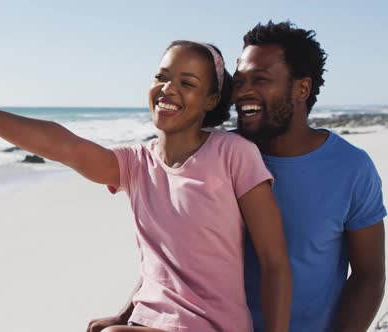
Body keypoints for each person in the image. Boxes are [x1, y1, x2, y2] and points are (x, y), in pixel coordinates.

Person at [0, 41, 292, 331]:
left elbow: (274, 261)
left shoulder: (233, 154)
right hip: (144, 323)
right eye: (162, 77)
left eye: (187, 83)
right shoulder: (135, 164)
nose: (169, 89)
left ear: (210, 100)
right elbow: (63, 145)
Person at [90, 21, 386, 332]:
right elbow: (172, 257)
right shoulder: (216, 155)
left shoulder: (351, 167)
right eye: (240, 81)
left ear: (301, 89)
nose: (244, 93)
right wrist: (126, 314)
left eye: (259, 80)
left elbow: (369, 275)